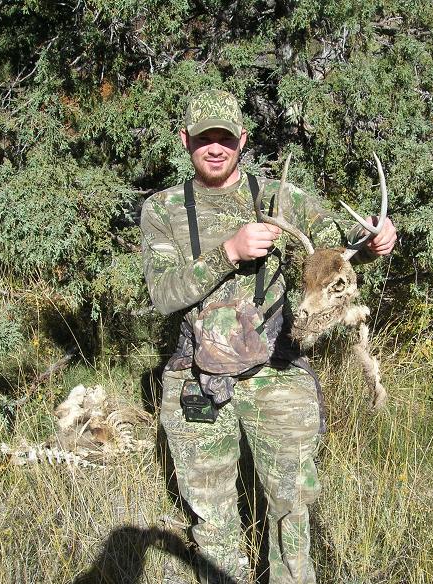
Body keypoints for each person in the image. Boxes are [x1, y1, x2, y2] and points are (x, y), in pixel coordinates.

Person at [140, 89, 396, 584]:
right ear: (185, 141)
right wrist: (229, 252)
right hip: (197, 376)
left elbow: (334, 252)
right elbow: (163, 295)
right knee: (211, 518)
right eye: (203, 138)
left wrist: (374, 242)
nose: (215, 148)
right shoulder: (162, 209)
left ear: (243, 140)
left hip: (277, 372)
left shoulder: (284, 199)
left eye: (225, 138)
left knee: (292, 504)